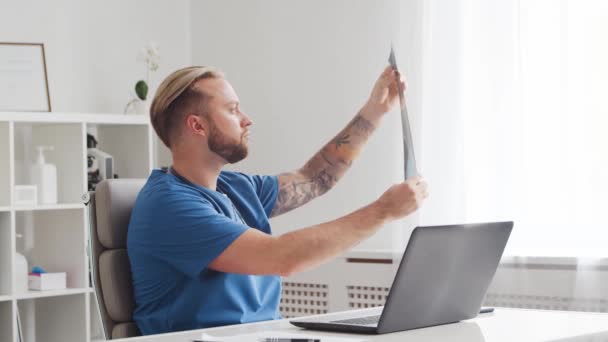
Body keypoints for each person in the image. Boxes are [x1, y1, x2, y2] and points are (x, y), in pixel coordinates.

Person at [127, 65, 429, 335]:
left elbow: (313, 179)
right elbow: (281, 257)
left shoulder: (234, 187)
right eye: (233, 110)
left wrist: (375, 111)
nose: (247, 120)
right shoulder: (169, 206)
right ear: (197, 126)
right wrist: (382, 212)